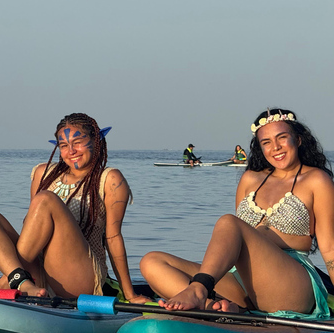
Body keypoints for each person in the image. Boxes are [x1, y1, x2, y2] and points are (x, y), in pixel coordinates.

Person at [140, 108, 334, 319]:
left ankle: (198, 290)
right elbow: (232, 243)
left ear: (298, 139)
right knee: (151, 261)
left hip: (290, 281)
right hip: (241, 279)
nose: (275, 147)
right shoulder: (250, 179)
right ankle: (219, 306)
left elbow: (330, 248)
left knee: (229, 222)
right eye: (266, 142)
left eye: (282, 138)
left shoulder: (317, 180)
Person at [0, 113, 149, 303]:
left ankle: (8, 280)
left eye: (77, 142)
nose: (71, 151)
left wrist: (130, 294)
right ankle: (20, 280)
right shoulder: (43, 173)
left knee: (45, 199)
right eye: (64, 146)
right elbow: (32, 228)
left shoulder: (110, 179)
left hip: (80, 276)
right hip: (37, 272)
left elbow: (113, 238)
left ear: (96, 141)